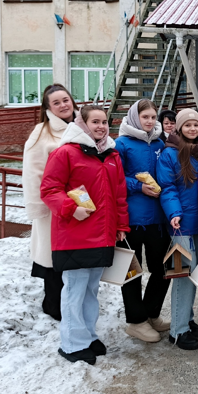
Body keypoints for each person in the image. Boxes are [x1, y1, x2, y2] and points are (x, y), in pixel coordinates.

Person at [40, 106, 128, 365]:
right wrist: (70, 209)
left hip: (103, 235)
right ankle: (71, 343)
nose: (101, 126)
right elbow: (49, 189)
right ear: (82, 124)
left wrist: (121, 225)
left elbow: (119, 195)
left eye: (104, 122)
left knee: (90, 289)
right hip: (75, 235)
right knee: (75, 290)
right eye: (95, 122)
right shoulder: (65, 152)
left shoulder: (111, 155)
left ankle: (87, 335)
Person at [22, 84, 78, 321]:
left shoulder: (83, 125)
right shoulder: (41, 133)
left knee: (77, 260)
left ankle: (73, 306)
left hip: (82, 205)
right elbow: (32, 172)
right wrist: (41, 208)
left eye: (65, 100)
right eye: (56, 103)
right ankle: (53, 307)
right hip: (53, 208)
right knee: (54, 260)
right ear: (48, 109)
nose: (63, 105)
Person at [116, 99, 170, 343]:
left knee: (162, 269)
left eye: (152, 117)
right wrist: (138, 186)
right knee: (132, 272)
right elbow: (114, 178)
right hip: (131, 220)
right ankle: (135, 321)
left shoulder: (160, 142)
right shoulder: (122, 144)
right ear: (135, 117)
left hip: (158, 220)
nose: (149, 121)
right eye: (145, 117)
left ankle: (151, 313)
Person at [156, 108, 198, 350]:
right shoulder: (170, 154)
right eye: (186, 125)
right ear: (178, 128)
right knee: (182, 277)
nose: (191, 129)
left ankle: (186, 319)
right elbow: (167, 188)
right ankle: (178, 331)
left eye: (195, 125)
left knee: (195, 274)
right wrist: (174, 213)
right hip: (181, 225)